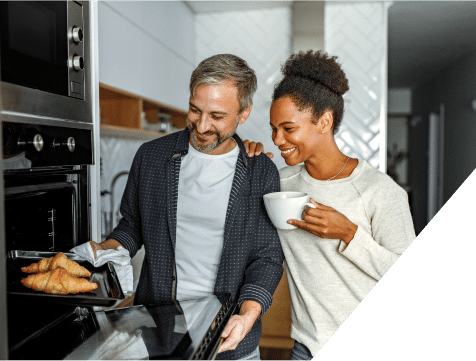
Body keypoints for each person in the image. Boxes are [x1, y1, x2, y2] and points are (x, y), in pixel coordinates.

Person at [90, 54, 284, 360]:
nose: (202, 125)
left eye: (217, 116)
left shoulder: (260, 173)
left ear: (243, 114)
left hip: (229, 339)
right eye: (195, 110)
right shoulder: (152, 157)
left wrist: (247, 316)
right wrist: (106, 250)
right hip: (158, 331)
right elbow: (132, 226)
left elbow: (267, 259)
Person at [249, 50, 416, 360]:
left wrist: (349, 233)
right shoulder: (279, 184)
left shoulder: (379, 191)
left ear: (324, 121)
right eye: (273, 129)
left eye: (288, 128)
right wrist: (247, 163)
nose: (277, 139)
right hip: (305, 347)